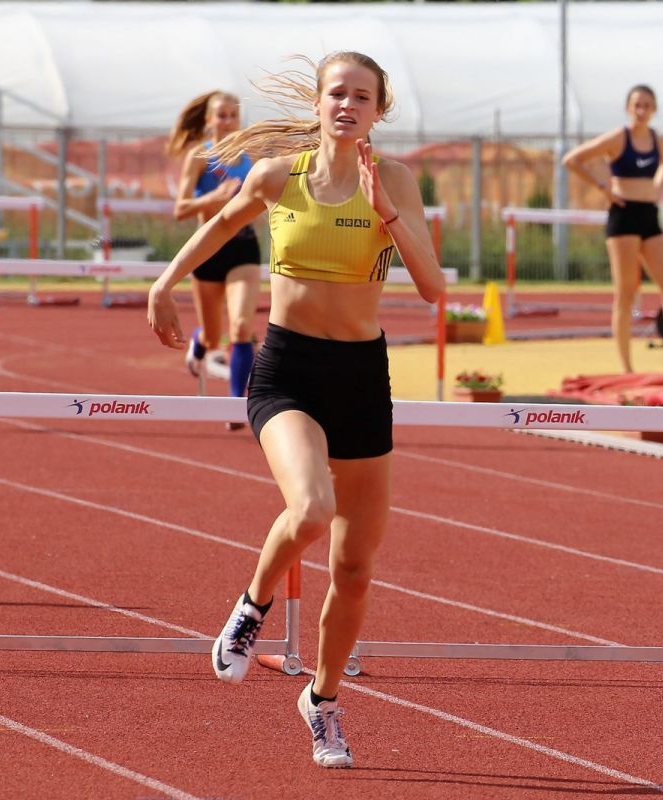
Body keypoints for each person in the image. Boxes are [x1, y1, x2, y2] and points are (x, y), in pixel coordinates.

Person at [148, 52, 444, 767]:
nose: (347, 105)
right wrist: (164, 283)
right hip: (288, 371)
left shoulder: (396, 180)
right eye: (337, 93)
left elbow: (433, 288)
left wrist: (387, 212)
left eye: (362, 97)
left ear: (378, 111)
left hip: (361, 377)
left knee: (356, 568)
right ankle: (254, 605)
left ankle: (323, 701)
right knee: (311, 507)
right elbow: (221, 225)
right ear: (317, 103)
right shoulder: (280, 176)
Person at [563, 85, 663, 375]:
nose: (641, 110)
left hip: (649, 216)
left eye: (647, 105)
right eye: (637, 105)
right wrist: (603, 188)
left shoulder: (658, 141)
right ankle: (627, 370)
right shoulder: (618, 137)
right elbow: (572, 160)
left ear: (654, 109)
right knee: (627, 292)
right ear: (628, 108)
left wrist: (657, 185)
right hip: (623, 216)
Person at [167, 91, 262, 423]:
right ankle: (199, 343)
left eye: (233, 115)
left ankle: (236, 404)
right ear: (209, 120)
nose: (228, 121)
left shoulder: (251, 157)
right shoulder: (199, 157)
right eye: (221, 115)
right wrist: (214, 197)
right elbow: (180, 209)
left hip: (243, 248)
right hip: (207, 249)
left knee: (241, 327)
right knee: (212, 335)